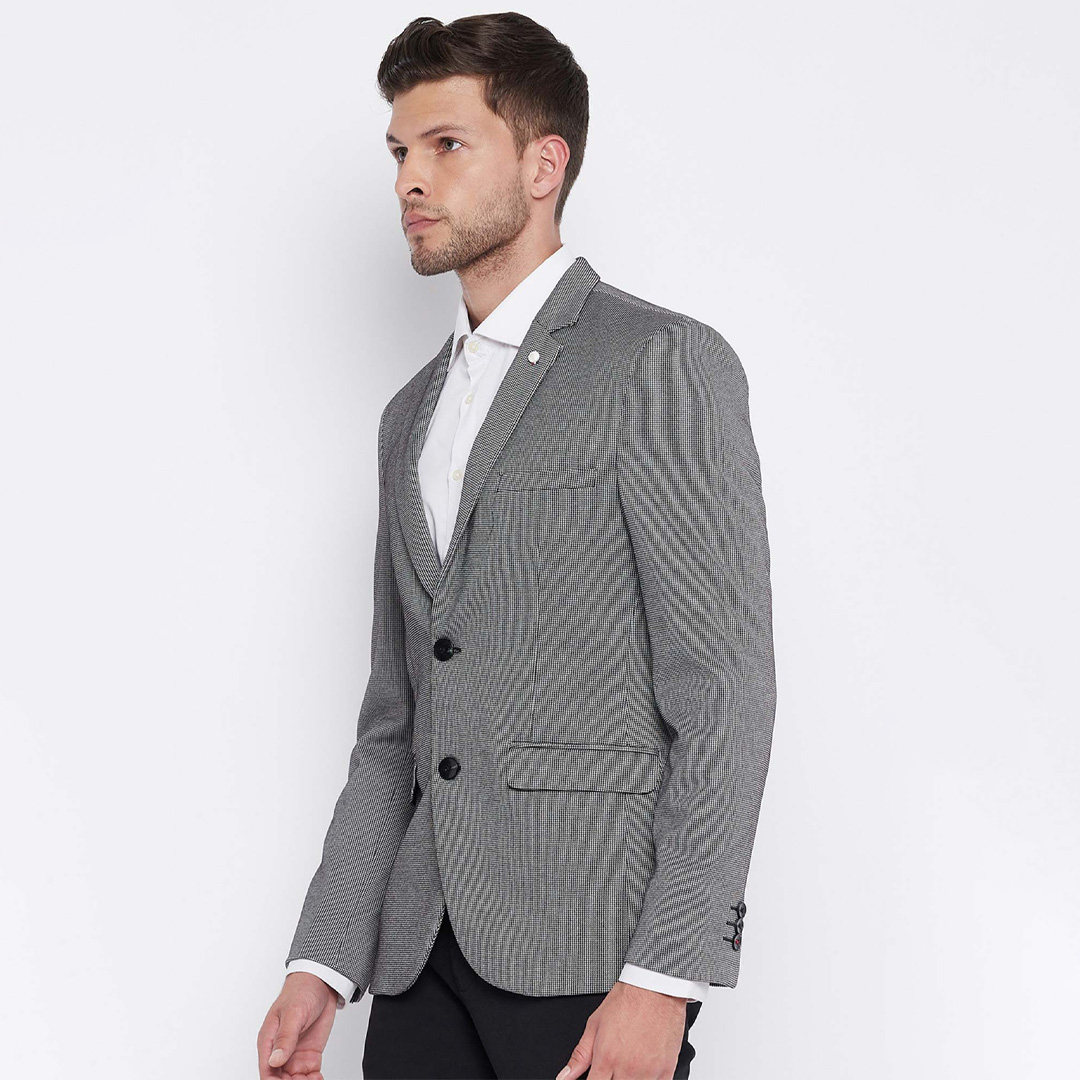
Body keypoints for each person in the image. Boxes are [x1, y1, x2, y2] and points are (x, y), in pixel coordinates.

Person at [258, 12, 776, 1080]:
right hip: (418, 960)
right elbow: (395, 725)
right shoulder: (410, 416)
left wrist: (664, 977)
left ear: (545, 165)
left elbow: (722, 690)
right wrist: (325, 958)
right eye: (400, 151)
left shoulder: (658, 363)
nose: (410, 178)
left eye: (446, 144)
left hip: (591, 955)